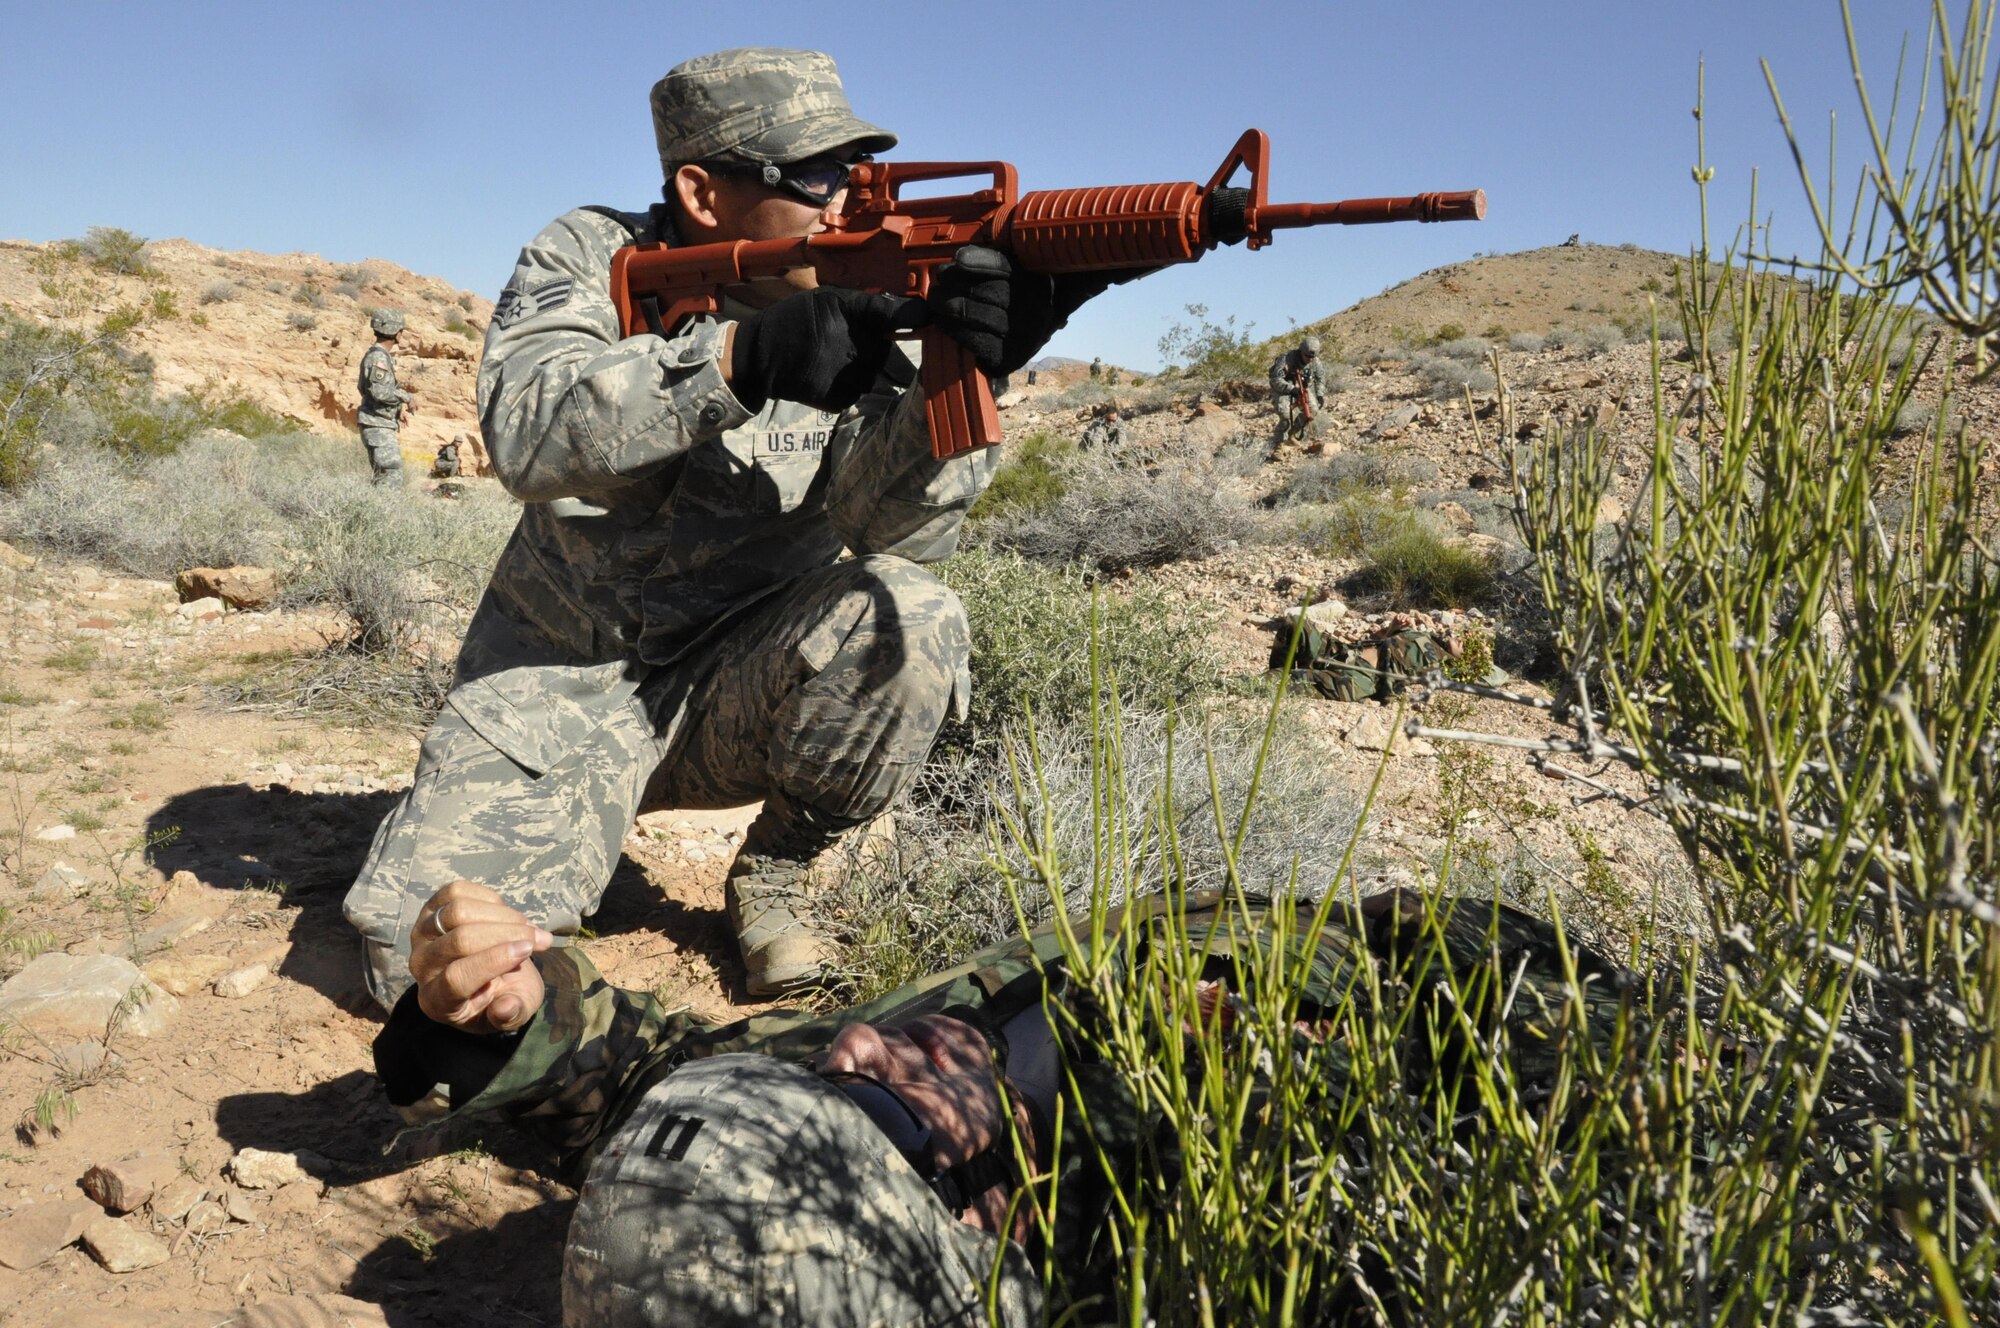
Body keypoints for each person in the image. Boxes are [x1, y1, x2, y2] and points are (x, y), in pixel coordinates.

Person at [342, 48, 1115, 1006]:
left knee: (909, 616)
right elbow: (527, 437)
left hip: (733, 690)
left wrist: (964, 375)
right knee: (426, 976)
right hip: (553, 687)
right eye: (820, 174)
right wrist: (740, 361)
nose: (848, 197)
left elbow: (892, 532)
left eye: (858, 170)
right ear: (704, 194)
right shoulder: (588, 253)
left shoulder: (863, 300)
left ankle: (775, 874)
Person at [375, 876, 1617, 1326]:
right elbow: (669, 1079)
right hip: (803, 1161)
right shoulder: (969, 1009)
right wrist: (502, 1003)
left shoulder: (1425, 1086)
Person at [357, 309, 414, 485]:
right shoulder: (378, 358)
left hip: (378, 423)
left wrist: (397, 409)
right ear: (397, 333)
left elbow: (369, 389)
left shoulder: (379, 356)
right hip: (377, 424)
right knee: (391, 475)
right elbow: (379, 392)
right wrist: (406, 397)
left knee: (382, 476)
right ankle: (385, 512)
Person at [1268, 334, 1327, 443]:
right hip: (1283, 388)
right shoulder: (1286, 359)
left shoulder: (1315, 362)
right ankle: (1276, 443)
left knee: (1312, 411)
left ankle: (1292, 434)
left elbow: (1320, 377)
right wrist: (1291, 389)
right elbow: (1275, 379)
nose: (1310, 359)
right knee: (1285, 418)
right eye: (1307, 356)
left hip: (1302, 388)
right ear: (1301, 351)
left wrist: (1320, 393)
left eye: (1312, 357)